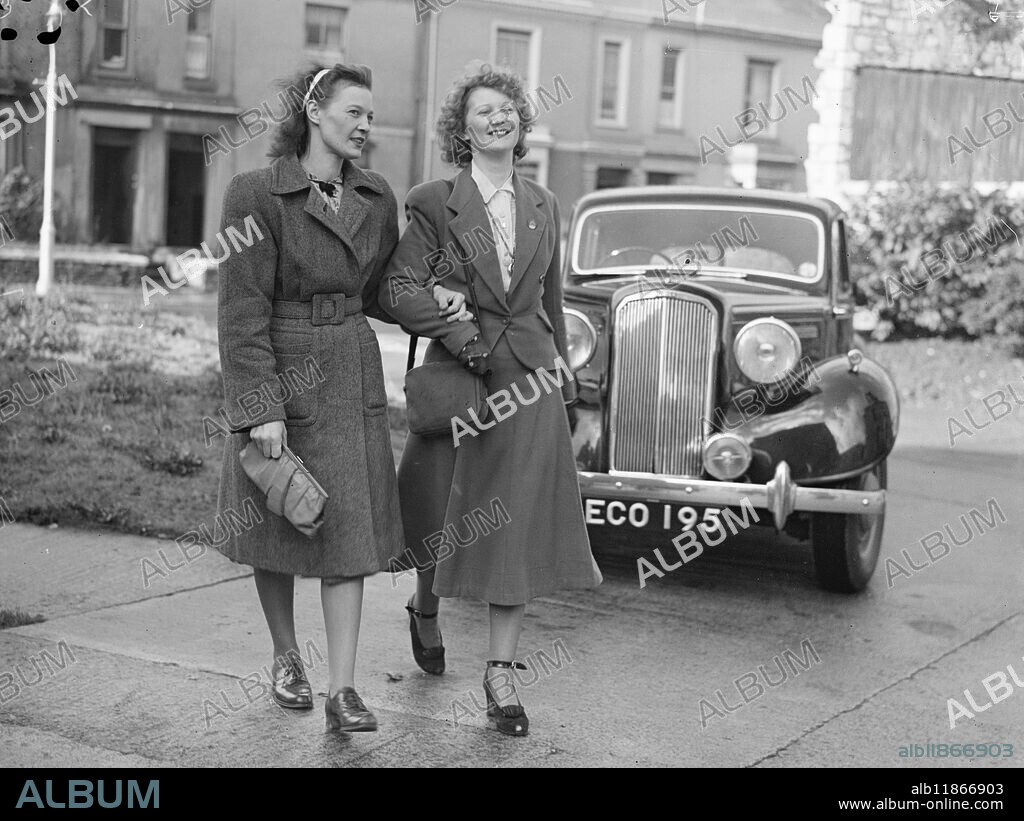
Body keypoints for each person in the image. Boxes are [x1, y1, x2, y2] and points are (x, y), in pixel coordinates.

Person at [214, 63, 467, 733]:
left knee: (349, 531)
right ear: (314, 109)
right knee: (278, 519)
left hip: (352, 371)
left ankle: (344, 688)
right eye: (354, 111)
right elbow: (241, 311)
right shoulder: (254, 193)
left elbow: (383, 290)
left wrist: (434, 296)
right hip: (282, 368)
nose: (365, 125)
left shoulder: (375, 195)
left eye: (370, 115)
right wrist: (261, 407)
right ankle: (287, 657)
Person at [381, 65, 602, 737]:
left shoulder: (544, 202)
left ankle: (501, 673)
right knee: (439, 510)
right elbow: (399, 288)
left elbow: (550, 301)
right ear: (463, 128)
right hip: (461, 373)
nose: (498, 117)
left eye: (508, 107)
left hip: (530, 381)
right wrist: (459, 332)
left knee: (517, 522)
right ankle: (425, 607)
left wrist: (564, 373)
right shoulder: (433, 200)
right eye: (483, 110)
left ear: (521, 123)